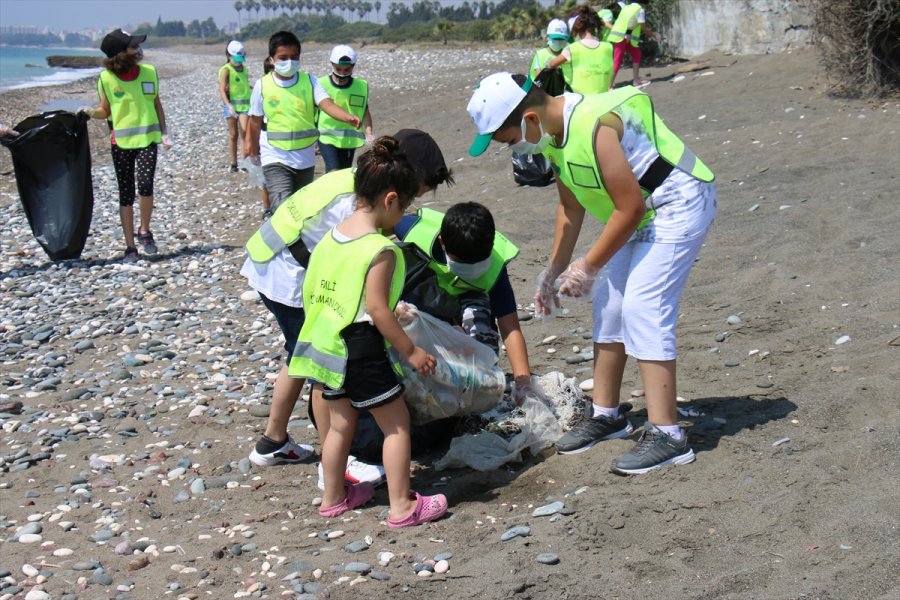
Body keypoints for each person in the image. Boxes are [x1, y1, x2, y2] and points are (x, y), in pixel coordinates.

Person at [466, 72, 717, 474]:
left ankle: (669, 435)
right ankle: (607, 416)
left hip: (677, 202)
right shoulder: (551, 135)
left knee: (642, 306)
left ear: (529, 118)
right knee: (609, 303)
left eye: (510, 141)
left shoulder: (592, 126)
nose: (514, 151)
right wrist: (554, 271)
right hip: (640, 212)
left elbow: (630, 208)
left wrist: (589, 265)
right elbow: (570, 206)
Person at [243, 129, 454, 475]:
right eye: (413, 196)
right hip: (285, 271)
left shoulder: (356, 181)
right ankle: (335, 466)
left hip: (272, 257)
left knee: (302, 354)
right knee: (323, 367)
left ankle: (273, 440)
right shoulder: (353, 201)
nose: (412, 205)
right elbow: (353, 258)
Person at [291, 137, 448, 527]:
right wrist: (410, 351)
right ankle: (402, 506)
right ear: (391, 199)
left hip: (326, 344)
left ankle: (333, 498)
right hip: (359, 344)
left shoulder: (332, 237)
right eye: (405, 207)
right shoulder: (379, 249)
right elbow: (378, 308)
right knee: (396, 424)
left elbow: (311, 291)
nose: (404, 215)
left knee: (339, 424)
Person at [244, 31, 361, 220]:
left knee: (301, 208)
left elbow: (327, 104)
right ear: (272, 59)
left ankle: (297, 245)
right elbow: (255, 120)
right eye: (283, 58)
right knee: (282, 207)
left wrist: (346, 117)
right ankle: (280, 245)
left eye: (294, 57)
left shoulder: (309, 81)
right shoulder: (262, 85)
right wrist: (252, 148)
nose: (289, 62)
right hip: (274, 155)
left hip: (304, 158)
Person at [82, 28, 170, 263]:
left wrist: (165, 132)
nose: (138, 49)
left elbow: (157, 105)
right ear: (120, 53)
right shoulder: (106, 79)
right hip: (120, 143)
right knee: (126, 193)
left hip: (148, 140)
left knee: (145, 184)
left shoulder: (150, 72)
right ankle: (130, 246)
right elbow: (105, 110)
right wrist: (90, 112)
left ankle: (145, 230)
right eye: (133, 46)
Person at [317, 44, 374, 172]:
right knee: (333, 170)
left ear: (352, 67)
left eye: (346, 70)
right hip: (326, 136)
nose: (342, 73)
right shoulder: (321, 84)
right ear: (332, 65)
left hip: (349, 139)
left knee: (344, 172)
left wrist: (369, 133)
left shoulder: (361, 86)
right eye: (338, 69)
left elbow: (364, 111)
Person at [543, 5, 614, 95]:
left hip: (580, 101)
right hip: (602, 98)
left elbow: (552, 64)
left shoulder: (572, 49)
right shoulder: (608, 47)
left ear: (576, 29)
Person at [608, 0, 661, 89]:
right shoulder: (640, 10)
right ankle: (609, 86)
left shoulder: (627, 7)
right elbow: (644, 28)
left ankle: (636, 80)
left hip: (622, 36)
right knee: (617, 60)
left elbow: (628, 22)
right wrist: (654, 35)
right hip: (622, 37)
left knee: (636, 53)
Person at [219, 40, 251, 173]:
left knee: (244, 132)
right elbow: (221, 90)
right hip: (231, 106)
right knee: (233, 135)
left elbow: (245, 84)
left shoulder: (244, 69)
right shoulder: (226, 70)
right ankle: (233, 163)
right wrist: (228, 105)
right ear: (228, 55)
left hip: (245, 106)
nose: (238, 62)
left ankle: (244, 162)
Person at [529, 19, 572, 89]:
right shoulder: (540, 55)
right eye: (555, 38)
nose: (558, 42)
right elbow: (538, 80)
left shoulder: (568, 54)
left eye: (560, 39)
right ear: (548, 37)